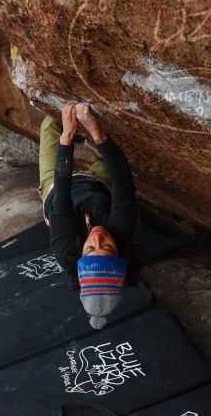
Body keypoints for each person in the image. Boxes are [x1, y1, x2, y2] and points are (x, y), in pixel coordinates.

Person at [38, 102, 137, 329]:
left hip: (57, 187)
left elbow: (62, 193)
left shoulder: (65, 250)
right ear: (119, 251)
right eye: (108, 247)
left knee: (51, 123)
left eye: (91, 248)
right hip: (96, 185)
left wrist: (68, 136)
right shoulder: (122, 232)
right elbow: (123, 182)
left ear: (81, 255)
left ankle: (74, 134)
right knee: (120, 151)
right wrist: (96, 132)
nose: (98, 237)